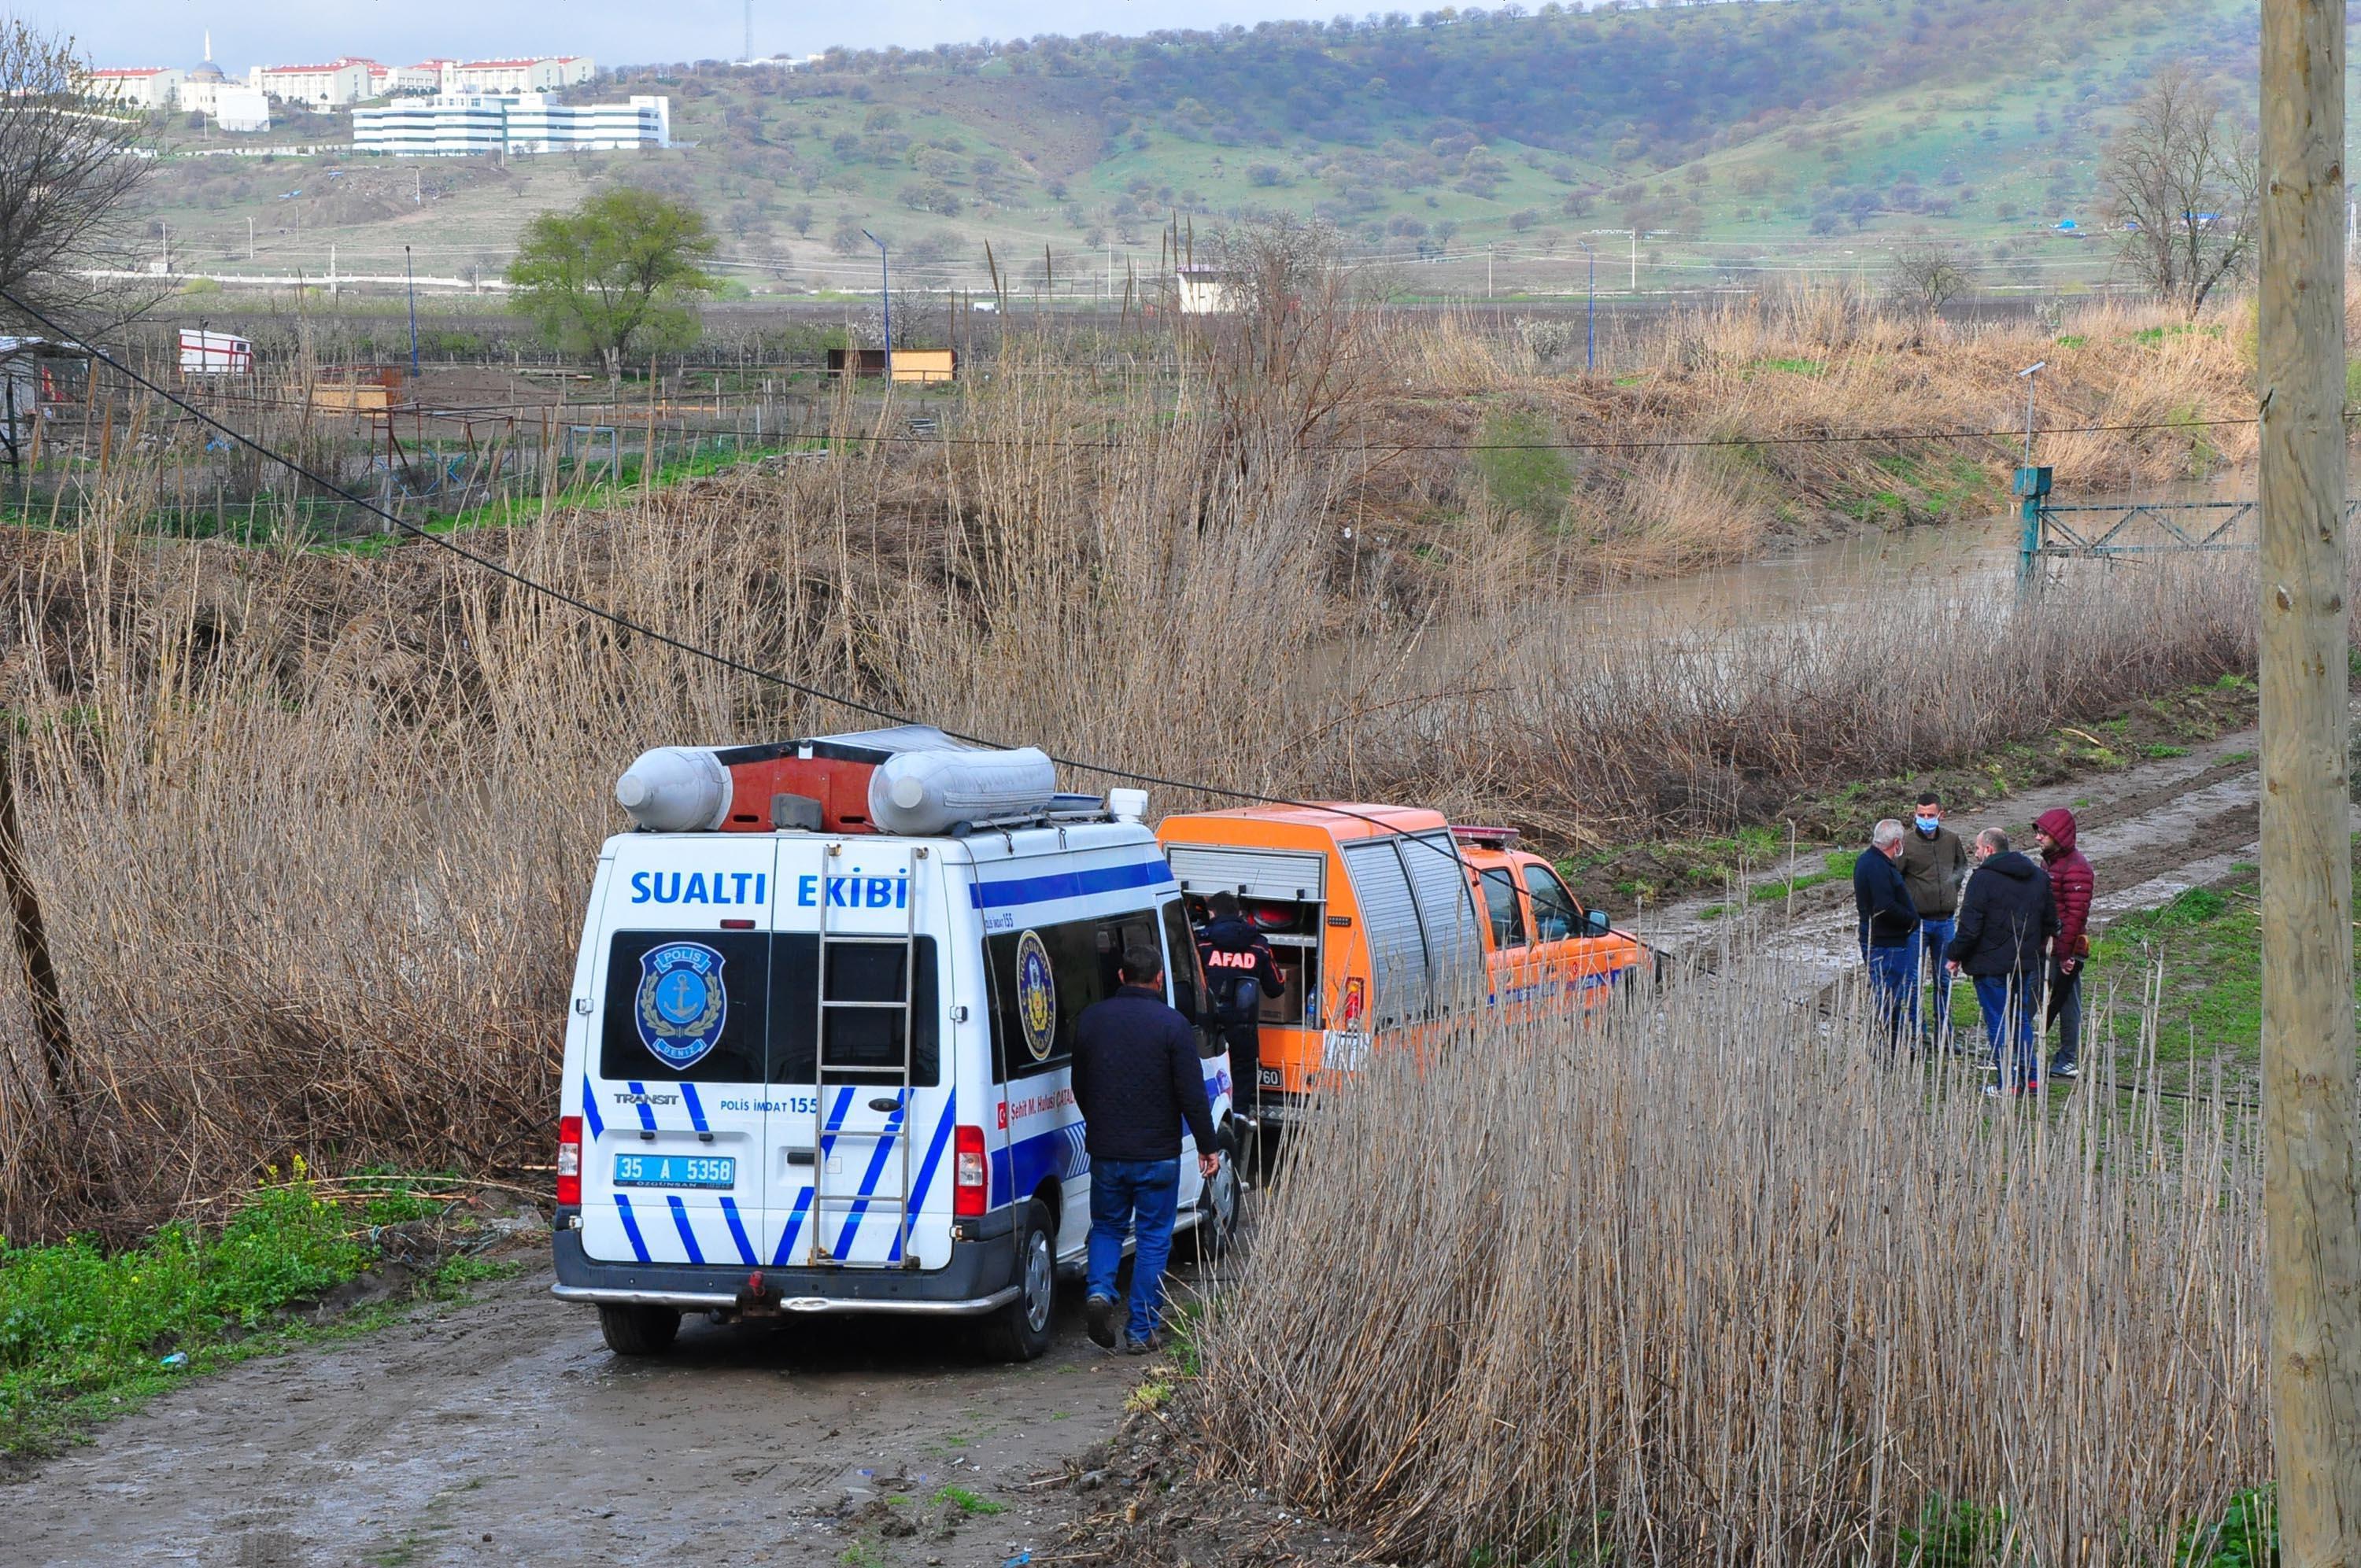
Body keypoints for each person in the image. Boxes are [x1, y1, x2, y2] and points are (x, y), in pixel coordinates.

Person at [1070, 944, 1223, 1354]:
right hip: (1157, 1155)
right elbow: (1192, 1094)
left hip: (1106, 1150)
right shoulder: (1173, 1025)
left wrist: (1100, 1122)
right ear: (1158, 979)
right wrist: (1208, 1147)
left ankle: (1100, 1290)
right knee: (1154, 1238)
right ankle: (1141, 1331)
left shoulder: (1091, 1020)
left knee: (1106, 1226)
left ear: (1121, 976)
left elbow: (1079, 1085)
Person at [1945, 828, 2056, 1098]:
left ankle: (2008, 1081)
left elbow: (1970, 928)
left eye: (1977, 849)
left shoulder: (1982, 880)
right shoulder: (2039, 877)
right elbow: (2051, 922)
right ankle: (2032, 1079)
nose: (1976, 854)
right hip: (2024, 963)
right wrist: (2031, 946)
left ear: (1989, 850)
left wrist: (1954, 955)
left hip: (1989, 966)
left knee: (1998, 1022)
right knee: (2020, 1020)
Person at [1195, 891, 1286, 1127]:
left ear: (1211, 913)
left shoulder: (1201, 942)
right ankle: (1240, 1116)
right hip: (1243, 1025)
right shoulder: (1259, 945)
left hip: (1208, 1024)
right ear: (1239, 913)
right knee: (1243, 1069)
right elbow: (1276, 988)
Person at [1897, 790, 1971, 1050]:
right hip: (1917, 923)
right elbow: (1896, 878)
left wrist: (1952, 889)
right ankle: (1917, 1033)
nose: (1925, 819)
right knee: (1913, 980)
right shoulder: (1906, 843)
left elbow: (1962, 867)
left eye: (1930, 815)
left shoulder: (1951, 840)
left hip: (1946, 922)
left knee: (1945, 979)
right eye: (1920, 815)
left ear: (1941, 815)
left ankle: (1945, 1035)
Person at [2034, 807, 2094, 1081]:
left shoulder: (2076, 868)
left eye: (2043, 833)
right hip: (2049, 946)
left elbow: (2075, 915)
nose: (2038, 838)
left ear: (2058, 836)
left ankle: (2067, 1059)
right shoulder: (2051, 863)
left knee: (2067, 1003)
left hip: (2064, 950)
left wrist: (2064, 952)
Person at [1851, 818, 1921, 1054]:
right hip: (1886, 943)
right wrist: (1911, 919)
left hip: (1884, 940)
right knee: (1887, 998)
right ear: (1896, 843)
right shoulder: (1877, 866)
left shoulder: (1869, 860)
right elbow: (1885, 906)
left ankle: (1893, 1045)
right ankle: (1882, 1049)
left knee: (1888, 997)